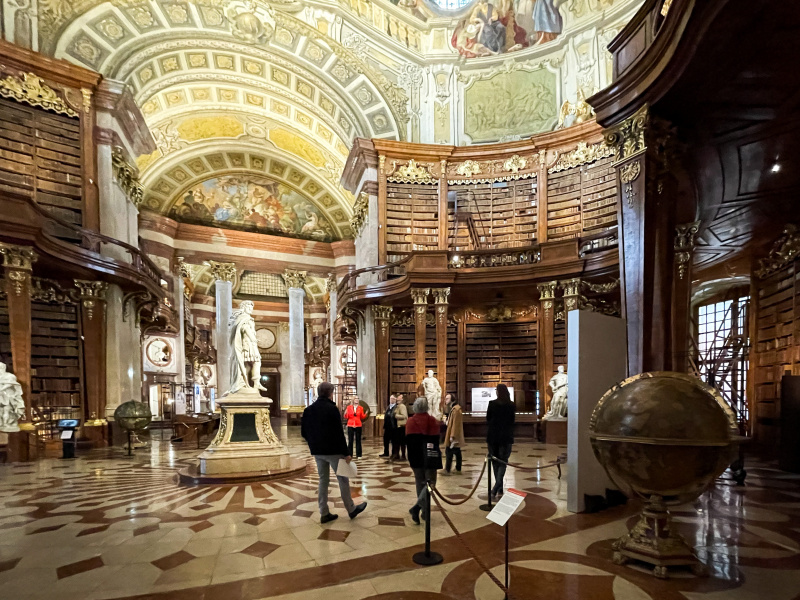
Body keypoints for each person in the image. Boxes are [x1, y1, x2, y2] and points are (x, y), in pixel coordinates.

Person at [301, 382, 367, 523]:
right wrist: (346, 452)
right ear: (330, 393)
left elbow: (304, 432)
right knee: (343, 479)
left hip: (317, 451)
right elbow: (338, 433)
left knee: (323, 481)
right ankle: (351, 509)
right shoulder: (332, 409)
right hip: (333, 451)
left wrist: (313, 443)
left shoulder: (309, 410)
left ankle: (324, 512)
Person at [406, 397, 442, 524]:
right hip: (430, 456)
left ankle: (420, 509)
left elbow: (408, 442)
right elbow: (437, 441)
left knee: (420, 483)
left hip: (415, 457)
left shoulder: (410, 421)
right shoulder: (433, 421)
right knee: (430, 483)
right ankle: (421, 510)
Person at [486, 383, 516, 499]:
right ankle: (499, 486)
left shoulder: (492, 404)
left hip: (493, 436)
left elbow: (488, 419)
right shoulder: (511, 405)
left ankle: (497, 486)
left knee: (495, 461)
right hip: (506, 437)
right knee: (503, 461)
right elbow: (512, 421)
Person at [444, 394, 464, 474]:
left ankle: (448, 469)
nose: (446, 400)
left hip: (453, 435)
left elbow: (456, 423)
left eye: (447, 398)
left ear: (452, 399)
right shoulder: (453, 409)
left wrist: (453, 436)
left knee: (449, 451)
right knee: (456, 451)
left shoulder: (456, 409)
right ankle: (457, 468)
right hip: (452, 433)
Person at [392, 393, 408, 461]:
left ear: (402, 399)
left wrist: (396, 416)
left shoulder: (402, 406)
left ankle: (403, 456)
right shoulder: (398, 406)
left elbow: (404, 416)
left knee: (402, 442)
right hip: (397, 427)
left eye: (399, 397)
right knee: (397, 442)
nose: (397, 398)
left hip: (401, 427)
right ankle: (397, 455)